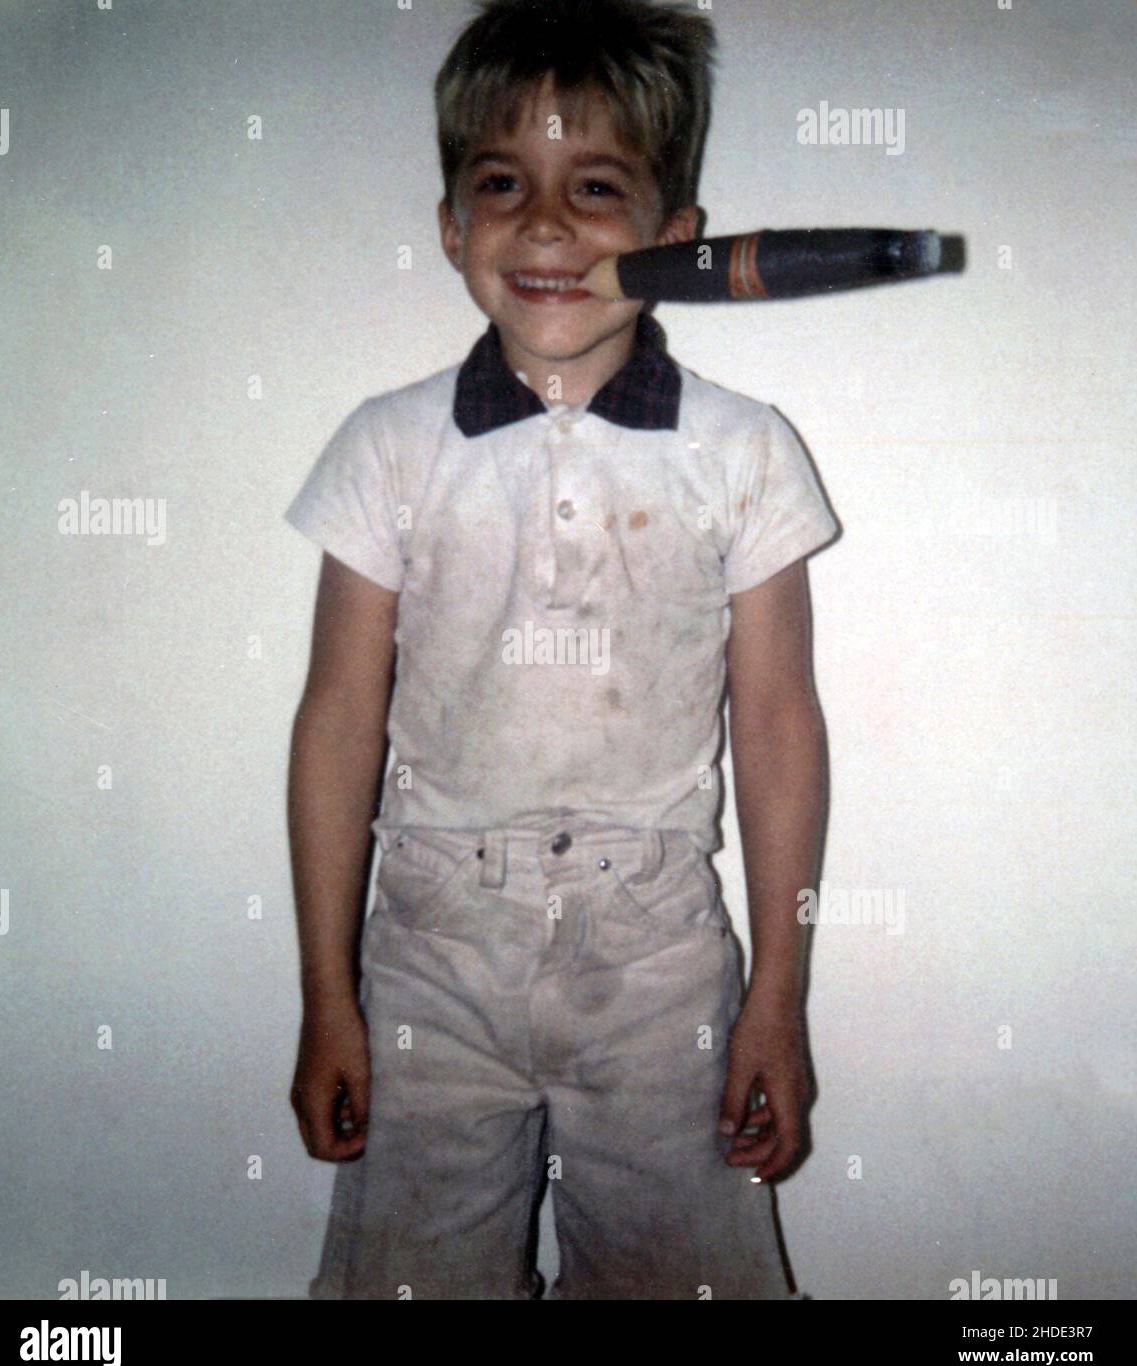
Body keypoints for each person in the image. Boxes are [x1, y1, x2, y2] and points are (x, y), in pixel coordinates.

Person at [284, 0, 839, 1300]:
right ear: (449, 225)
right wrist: (326, 993)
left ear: (673, 243)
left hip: (656, 956)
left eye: (595, 187)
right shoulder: (388, 445)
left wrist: (777, 996)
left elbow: (776, 729)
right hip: (431, 940)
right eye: (501, 184)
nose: (543, 226)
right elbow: (334, 723)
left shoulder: (742, 449)